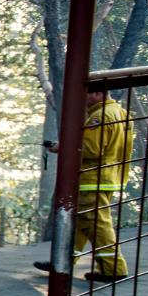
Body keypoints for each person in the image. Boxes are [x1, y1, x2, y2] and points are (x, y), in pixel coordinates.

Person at [34, 89, 132, 282]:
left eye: (87, 93)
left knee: (97, 225)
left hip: (92, 180)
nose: (84, 98)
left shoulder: (100, 116)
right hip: (106, 177)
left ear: (98, 93)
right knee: (80, 224)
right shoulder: (119, 112)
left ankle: (114, 269)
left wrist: (63, 147)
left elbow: (90, 149)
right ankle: (63, 261)